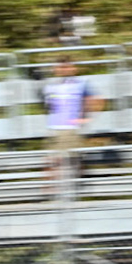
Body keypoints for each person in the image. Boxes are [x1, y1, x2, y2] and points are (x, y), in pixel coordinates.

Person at [42, 58, 102, 186]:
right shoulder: (51, 85)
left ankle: (80, 187)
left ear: (74, 68)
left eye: (67, 67)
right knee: (51, 160)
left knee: (71, 159)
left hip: (70, 128)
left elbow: (96, 100)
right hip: (53, 127)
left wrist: (87, 117)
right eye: (60, 67)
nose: (63, 70)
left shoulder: (81, 83)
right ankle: (50, 192)